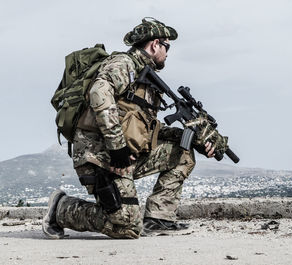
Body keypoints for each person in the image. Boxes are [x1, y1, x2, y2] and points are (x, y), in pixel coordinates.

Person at [42, 17, 216, 239]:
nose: (167, 53)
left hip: (124, 155)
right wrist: (117, 147)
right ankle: (61, 209)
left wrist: (190, 137)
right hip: (99, 156)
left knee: (181, 152)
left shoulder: (147, 80)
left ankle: (159, 218)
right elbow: (99, 93)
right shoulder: (124, 64)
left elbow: (147, 130)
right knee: (127, 226)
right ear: (154, 45)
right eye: (166, 46)